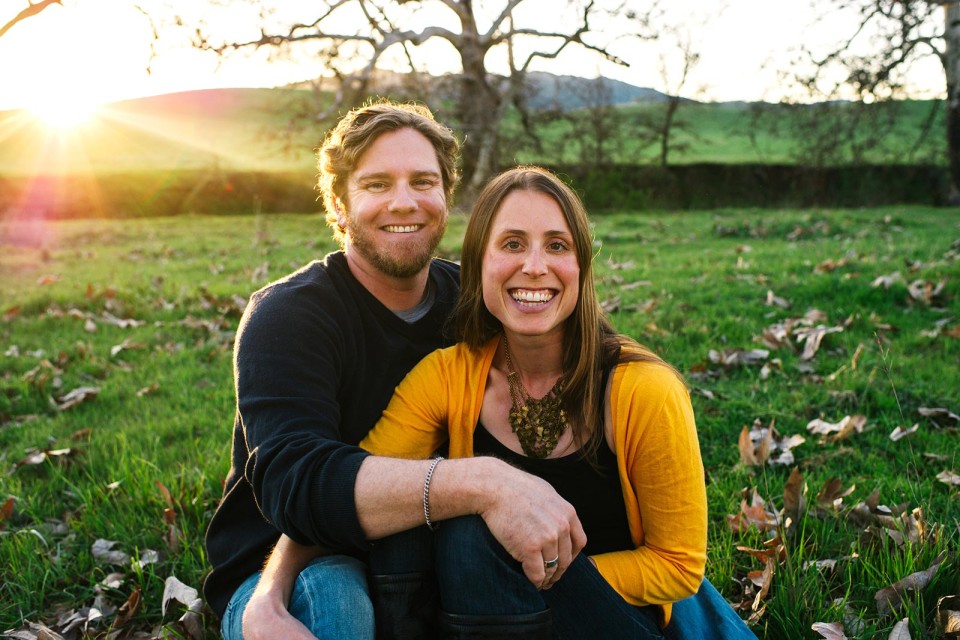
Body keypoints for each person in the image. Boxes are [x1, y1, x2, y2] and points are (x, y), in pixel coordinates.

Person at [249, 167, 758, 639]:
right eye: (512, 244)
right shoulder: (447, 376)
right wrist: (270, 589)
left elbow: (678, 565)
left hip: (610, 618)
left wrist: (528, 571)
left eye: (556, 245)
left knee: (472, 538)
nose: (534, 267)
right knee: (419, 524)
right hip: (476, 615)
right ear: (477, 265)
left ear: (581, 265)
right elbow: (364, 489)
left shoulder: (643, 390)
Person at [204, 103, 589, 640]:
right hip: (302, 565)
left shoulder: (479, 303)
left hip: (441, 547)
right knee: (339, 606)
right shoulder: (287, 317)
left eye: (423, 181)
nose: (404, 201)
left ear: (446, 198)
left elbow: (579, 364)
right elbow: (296, 485)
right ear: (338, 206)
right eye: (378, 184)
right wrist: (482, 483)